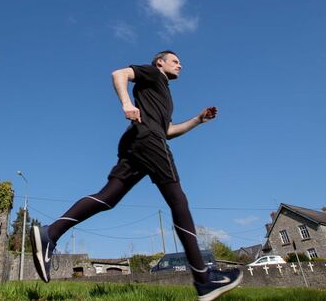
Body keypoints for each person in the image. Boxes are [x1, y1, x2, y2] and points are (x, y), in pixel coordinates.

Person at [30, 51, 242, 300]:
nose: (180, 64)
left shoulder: (162, 92)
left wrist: (197, 120)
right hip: (149, 140)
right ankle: (203, 277)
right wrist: (127, 104)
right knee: (178, 200)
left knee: (108, 197)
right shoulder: (153, 73)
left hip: (139, 142)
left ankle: (50, 233)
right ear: (159, 62)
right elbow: (119, 73)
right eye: (175, 60)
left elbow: (169, 130)